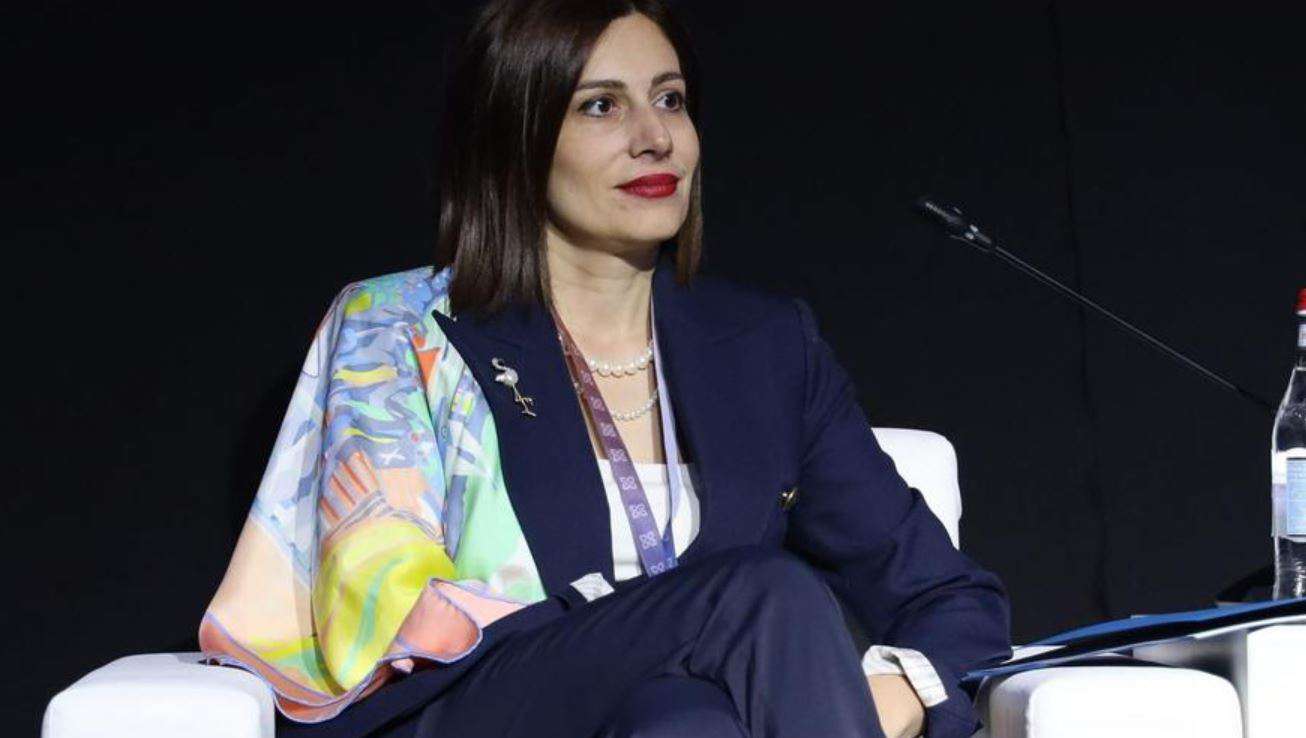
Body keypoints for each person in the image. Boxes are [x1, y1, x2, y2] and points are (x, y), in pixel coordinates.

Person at [197, 1, 1014, 737]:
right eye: (600, 106)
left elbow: (948, 597)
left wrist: (898, 691)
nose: (655, 137)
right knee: (764, 596)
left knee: (686, 719)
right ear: (516, 140)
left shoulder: (765, 346)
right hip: (466, 709)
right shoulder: (399, 326)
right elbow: (386, 606)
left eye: (671, 100)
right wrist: (678, 624)